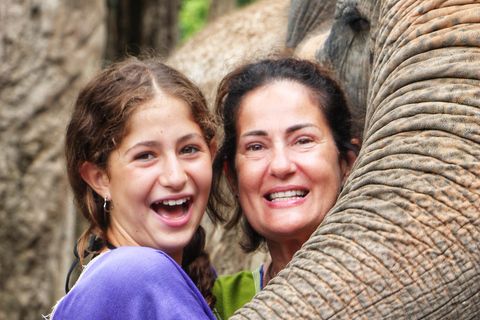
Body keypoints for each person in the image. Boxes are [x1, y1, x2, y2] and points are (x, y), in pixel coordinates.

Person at [47, 56, 221, 319]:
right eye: (145, 156)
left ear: (212, 154)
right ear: (99, 178)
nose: (175, 177)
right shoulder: (138, 273)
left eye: (189, 149)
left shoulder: (191, 277)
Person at [208, 56, 360, 320]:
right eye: (256, 146)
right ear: (233, 177)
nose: (280, 165)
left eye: (302, 141)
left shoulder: (404, 285)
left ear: (346, 164)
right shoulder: (213, 304)